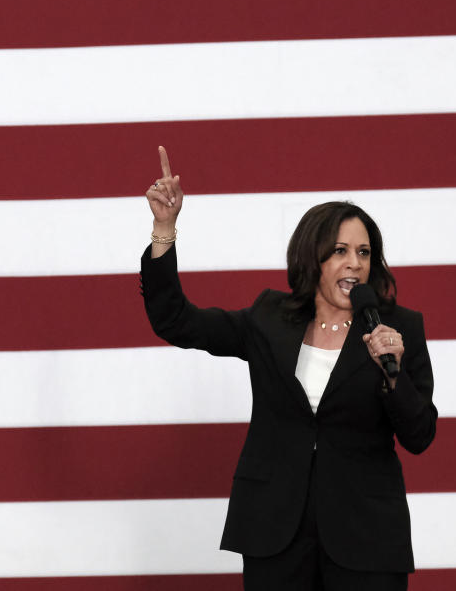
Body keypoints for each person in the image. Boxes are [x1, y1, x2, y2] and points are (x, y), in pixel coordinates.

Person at [140, 146, 437, 590]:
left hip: (367, 535)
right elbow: (177, 322)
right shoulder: (269, 318)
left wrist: (391, 373)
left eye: (363, 252)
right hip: (274, 530)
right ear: (311, 256)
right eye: (339, 250)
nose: (354, 262)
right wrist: (165, 230)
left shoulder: (398, 329)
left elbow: (419, 435)